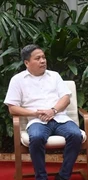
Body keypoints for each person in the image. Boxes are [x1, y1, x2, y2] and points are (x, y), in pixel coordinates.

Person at [4, 44, 82, 180]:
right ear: (27, 63)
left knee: (76, 135)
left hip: (60, 118)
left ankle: (63, 176)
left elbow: (66, 98)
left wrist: (53, 110)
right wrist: (35, 113)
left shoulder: (54, 76)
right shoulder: (17, 80)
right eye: (38, 58)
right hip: (37, 121)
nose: (43, 61)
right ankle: (41, 177)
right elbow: (12, 108)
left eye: (44, 57)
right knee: (37, 137)